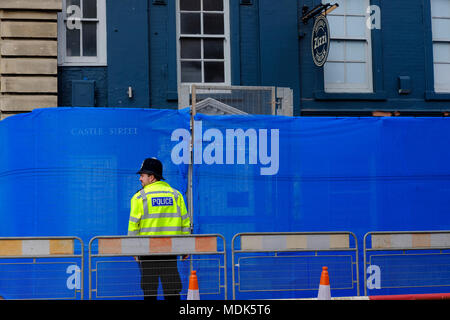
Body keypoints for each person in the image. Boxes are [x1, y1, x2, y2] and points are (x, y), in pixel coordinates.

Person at [128, 158, 191, 301]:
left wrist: (133, 250)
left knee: (149, 292)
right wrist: (185, 248)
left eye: (142, 175)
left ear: (151, 177)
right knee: (172, 292)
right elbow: (185, 224)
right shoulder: (176, 195)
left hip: (147, 253)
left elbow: (133, 228)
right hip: (170, 253)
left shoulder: (139, 197)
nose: (140, 179)